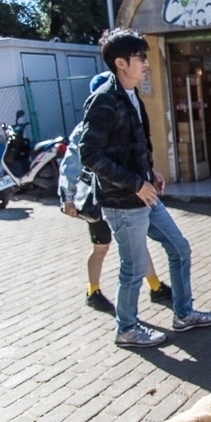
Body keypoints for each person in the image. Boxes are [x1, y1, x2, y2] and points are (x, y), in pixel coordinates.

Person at [80, 28, 211, 348]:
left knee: (179, 248)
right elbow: (89, 154)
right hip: (122, 202)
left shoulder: (132, 95)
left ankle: (183, 314)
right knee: (132, 269)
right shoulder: (104, 100)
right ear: (120, 62)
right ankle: (126, 329)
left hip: (145, 195)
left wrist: (150, 172)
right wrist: (135, 182)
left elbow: (130, 146)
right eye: (140, 57)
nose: (146, 63)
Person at [59, 71, 172, 312]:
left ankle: (155, 286)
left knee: (137, 244)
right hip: (98, 199)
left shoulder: (127, 120)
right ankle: (93, 291)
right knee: (102, 247)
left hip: (124, 196)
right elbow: (71, 163)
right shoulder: (89, 125)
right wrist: (67, 198)